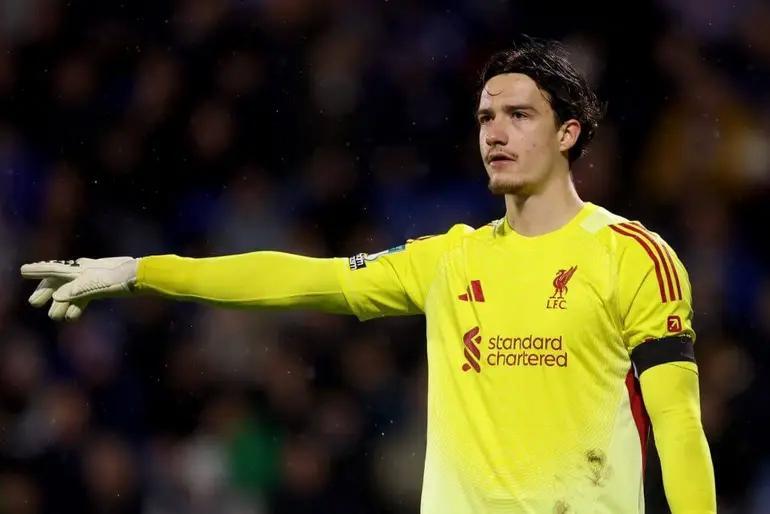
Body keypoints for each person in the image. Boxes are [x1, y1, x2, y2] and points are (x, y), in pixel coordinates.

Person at [21, 37, 716, 513]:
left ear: (568, 133)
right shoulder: (450, 259)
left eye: (519, 115)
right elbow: (301, 279)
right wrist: (143, 271)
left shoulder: (631, 255)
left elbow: (678, 424)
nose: (495, 132)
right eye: (485, 117)